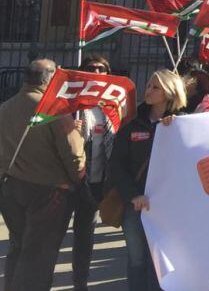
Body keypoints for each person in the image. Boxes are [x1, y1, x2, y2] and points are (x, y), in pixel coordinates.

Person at [0, 59, 83, 290]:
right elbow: (73, 155)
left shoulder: (5, 107)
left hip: (10, 187)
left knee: (18, 246)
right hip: (47, 192)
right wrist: (78, 180)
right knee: (38, 256)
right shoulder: (53, 110)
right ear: (50, 79)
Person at [110, 69, 187, 291]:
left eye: (156, 87)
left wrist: (176, 127)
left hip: (169, 206)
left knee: (163, 261)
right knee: (137, 259)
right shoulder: (132, 122)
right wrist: (133, 195)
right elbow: (116, 165)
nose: (148, 91)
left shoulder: (184, 122)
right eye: (149, 86)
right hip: (136, 205)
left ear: (170, 92)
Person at [73, 55, 116, 290]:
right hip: (72, 180)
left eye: (102, 69)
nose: (97, 72)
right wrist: (71, 129)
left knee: (84, 236)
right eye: (92, 68)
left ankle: (81, 282)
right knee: (53, 235)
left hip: (98, 181)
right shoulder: (73, 105)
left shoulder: (112, 107)